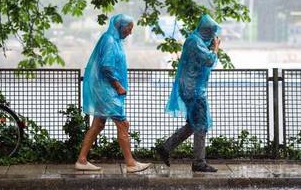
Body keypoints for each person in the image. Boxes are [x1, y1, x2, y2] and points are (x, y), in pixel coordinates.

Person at [75, 14, 151, 173]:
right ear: (120, 26)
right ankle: (130, 164)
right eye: (129, 28)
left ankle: (81, 160)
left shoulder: (114, 40)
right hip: (107, 90)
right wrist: (117, 86)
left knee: (97, 125)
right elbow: (106, 67)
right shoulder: (109, 40)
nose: (130, 32)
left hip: (106, 89)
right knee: (123, 124)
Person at [156, 14, 221, 172]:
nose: (213, 36)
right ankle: (199, 162)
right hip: (194, 91)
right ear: (207, 31)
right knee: (201, 125)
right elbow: (209, 60)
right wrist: (215, 47)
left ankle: (166, 147)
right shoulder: (195, 42)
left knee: (193, 124)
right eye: (212, 32)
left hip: (190, 88)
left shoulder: (195, 40)